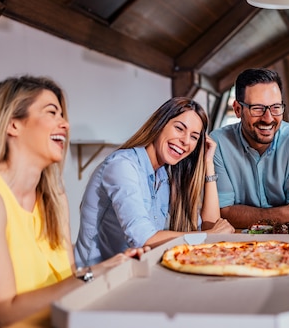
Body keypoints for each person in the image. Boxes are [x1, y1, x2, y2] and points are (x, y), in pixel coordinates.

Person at [0, 76, 145, 328]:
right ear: (12, 124)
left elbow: (66, 285)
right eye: (52, 112)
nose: (65, 123)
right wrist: (94, 273)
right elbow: (5, 315)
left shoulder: (54, 199)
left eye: (63, 115)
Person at [75, 97, 234, 267]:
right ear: (160, 124)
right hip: (96, 279)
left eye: (194, 137)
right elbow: (143, 239)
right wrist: (208, 236)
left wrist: (208, 163)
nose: (186, 141)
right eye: (179, 128)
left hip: (135, 271)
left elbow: (210, 227)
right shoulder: (123, 166)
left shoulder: (164, 175)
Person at [210, 68, 289, 229]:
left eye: (276, 107)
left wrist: (244, 215)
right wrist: (284, 214)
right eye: (257, 108)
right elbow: (221, 214)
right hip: (236, 247)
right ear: (237, 109)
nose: (268, 118)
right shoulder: (218, 143)